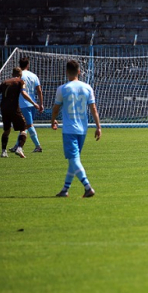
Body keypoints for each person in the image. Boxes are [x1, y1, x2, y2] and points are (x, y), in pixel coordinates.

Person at [51, 60, 101, 198]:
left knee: (74, 159)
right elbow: (94, 109)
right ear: (79, 71)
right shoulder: (87, 87)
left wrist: (52, 120)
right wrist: (98, 127)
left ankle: (87, 187)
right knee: (74, 159)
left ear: (66, 72)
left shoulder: (63, 89)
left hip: (69, 129)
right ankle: (65, 189)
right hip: (82, 130)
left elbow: (55, 109)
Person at [0, 67, 42, 158]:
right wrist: (34, 103)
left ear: (12, 74)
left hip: (4, 108)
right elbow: (24, 93)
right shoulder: (20, 81)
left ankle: (3, 151)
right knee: (24, 128)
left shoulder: (4, 82)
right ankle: (19, 148)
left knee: (6, 130)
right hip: (14, 108)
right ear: (20, 75)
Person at [18, 56, 45, 152]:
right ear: (28, 65)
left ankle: (38, 146)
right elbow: (39, 91)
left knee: (28, 125)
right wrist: (41, 104)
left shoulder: (19, 76)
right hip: (32, 105)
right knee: (24, 126)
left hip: (23, 104)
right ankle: (17, 145)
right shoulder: (34, 76)